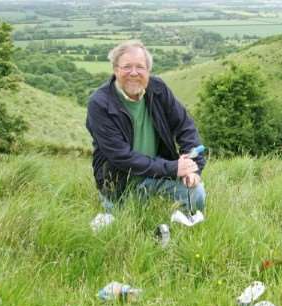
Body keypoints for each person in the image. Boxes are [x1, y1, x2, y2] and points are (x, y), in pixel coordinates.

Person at [86, 40, 206, 213]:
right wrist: (172, 168)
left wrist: (192, 168)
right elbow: (121, 156)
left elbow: (185, 126)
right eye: (127, 66)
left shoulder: (158, 89)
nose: (134, 73)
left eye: (140, 67)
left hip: (158, 175)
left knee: (197, 195)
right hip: (119, 184)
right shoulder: (100, 104)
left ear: (148, 71)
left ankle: (183, 226)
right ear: (115, 69)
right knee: (122, 226)